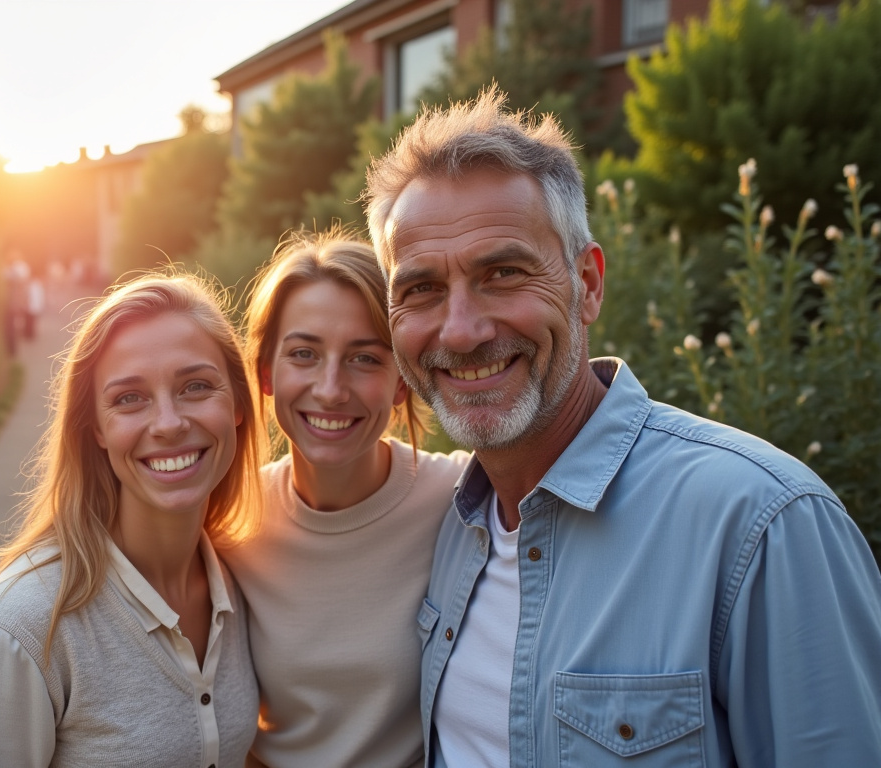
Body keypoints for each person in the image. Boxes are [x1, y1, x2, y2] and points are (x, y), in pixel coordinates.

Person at [364, 87, 881, 767]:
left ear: (589, 283)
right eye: (421, 289)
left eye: (505, 273)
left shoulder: (762, 526)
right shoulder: (449, 529)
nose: (461, 330)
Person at [0, 274, 265, 767]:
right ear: (97, 428)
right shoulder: (20, 628)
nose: (169, 423)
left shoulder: (245, 585)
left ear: (238, 404)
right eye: (129, 398)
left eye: (196, 386)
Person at [222, 232, 468, 768]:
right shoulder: (230, 523)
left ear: (402, 381)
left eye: (364, 358)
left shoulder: (463, 503)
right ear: (265, 372)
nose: (331, 389)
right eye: (304, 354)